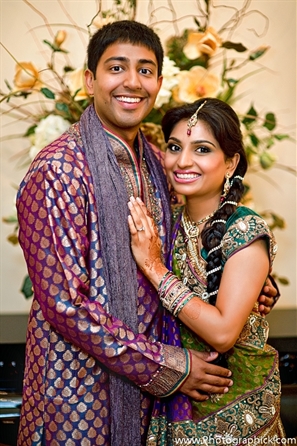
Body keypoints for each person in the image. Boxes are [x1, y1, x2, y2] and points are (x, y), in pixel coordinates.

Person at [16, 21, 278, 446]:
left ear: (158, 82)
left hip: (150, 400)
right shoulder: (58, 170)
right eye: (116, 67)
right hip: (77, 391)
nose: (132, 82)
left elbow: (197, 238)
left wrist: (247, 278)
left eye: (145, 69)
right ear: (89, 80)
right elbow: (64, 304)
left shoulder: (160, 161)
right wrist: (167, 366)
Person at [127, 98, 285, 445]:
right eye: (174, 147)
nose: (183, 161)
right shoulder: (164, 224)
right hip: (174, 406)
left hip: (239, 418)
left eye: (202, 149)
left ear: (230, 163)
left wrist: (154, 268)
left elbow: (223, 333)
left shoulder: (243, 231)